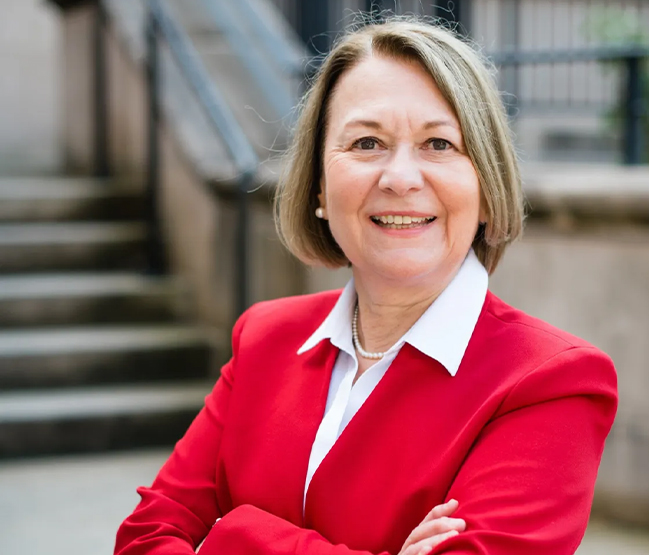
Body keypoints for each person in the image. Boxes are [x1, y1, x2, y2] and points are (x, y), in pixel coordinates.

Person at [115, 17, 618, 555]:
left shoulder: (551, 382)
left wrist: (235, 534)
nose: (400, 178)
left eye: (439, 144)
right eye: (367, 142)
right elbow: (145, 536)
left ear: (486, 185)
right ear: (320, 188)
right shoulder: (265, 337)